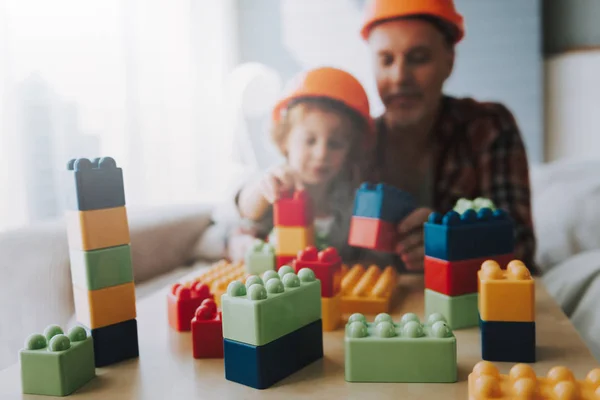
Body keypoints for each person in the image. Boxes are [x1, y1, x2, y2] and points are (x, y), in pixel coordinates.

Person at [359, 0, 538, 272]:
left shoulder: (488, 126)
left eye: (418, 58)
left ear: (449, 61)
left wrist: (452, 241)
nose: (399, 77)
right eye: (386, 60)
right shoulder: (353, 142)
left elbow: (520, 245)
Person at [208, 66, 391, 265]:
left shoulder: (354, 199)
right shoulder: (276, 184)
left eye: (335, 144)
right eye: (309, 141)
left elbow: (374, 256)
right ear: (285, 139)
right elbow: (244, 208)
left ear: (351, 149)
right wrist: (262, 191)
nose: (321, 153)